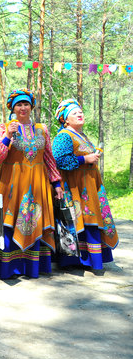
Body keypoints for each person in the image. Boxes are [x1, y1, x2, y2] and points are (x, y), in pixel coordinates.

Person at [0, 89, 63, 279]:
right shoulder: (5, 127)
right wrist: (7, 135)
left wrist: (56, 182)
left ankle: (32, 267)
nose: (23, 108)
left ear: (31, 106)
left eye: (26, 104)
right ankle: (9, 267)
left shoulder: (42, 129)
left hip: (38, 184)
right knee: (9, 223)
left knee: (34, 219)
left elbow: (48, 157)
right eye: (18, 105)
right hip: (12, 184)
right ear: (12, 108)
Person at [51, 98, 118, 269]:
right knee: (76, 220)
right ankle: (75, 260)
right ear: (65, 120)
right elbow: (58, 161)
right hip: (75, 188)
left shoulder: (81, 135)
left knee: (90, 220)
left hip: (88, 188)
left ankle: (92, 259)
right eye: (74, 113)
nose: (79, 114)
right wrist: (84, 159)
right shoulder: (64, 136)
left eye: (80, 111)